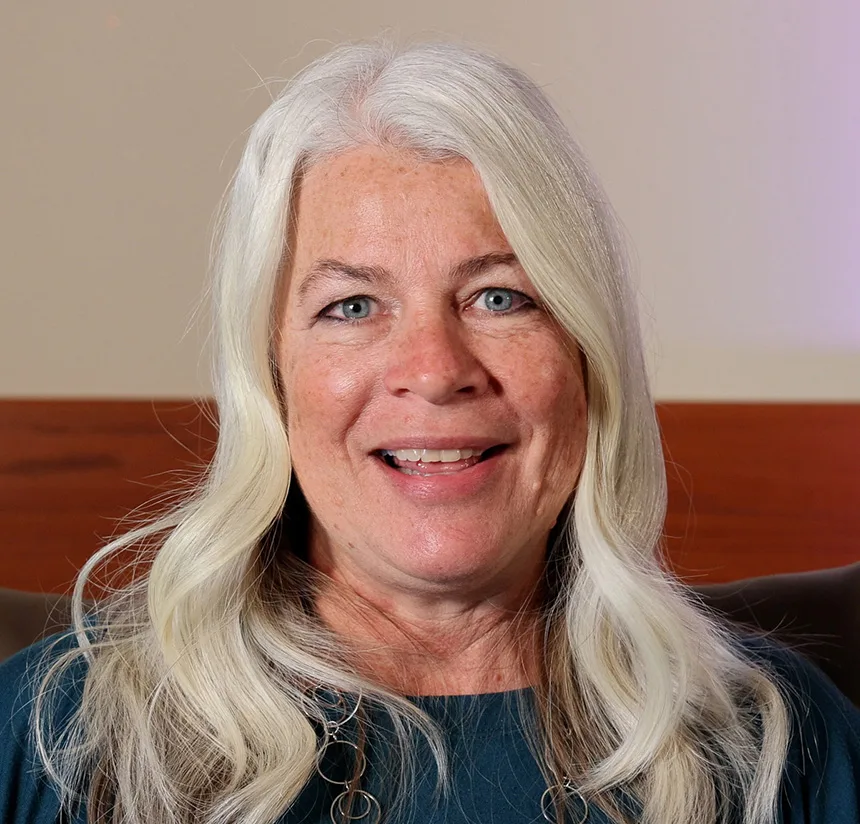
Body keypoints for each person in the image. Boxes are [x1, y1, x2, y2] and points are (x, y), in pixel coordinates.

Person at [1, 36, 859, 824]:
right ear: (271, 375)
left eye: (500, 297)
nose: (435, 367)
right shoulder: (50, 740)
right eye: (352, 306)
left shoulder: (777, 747)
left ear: (587, 357)